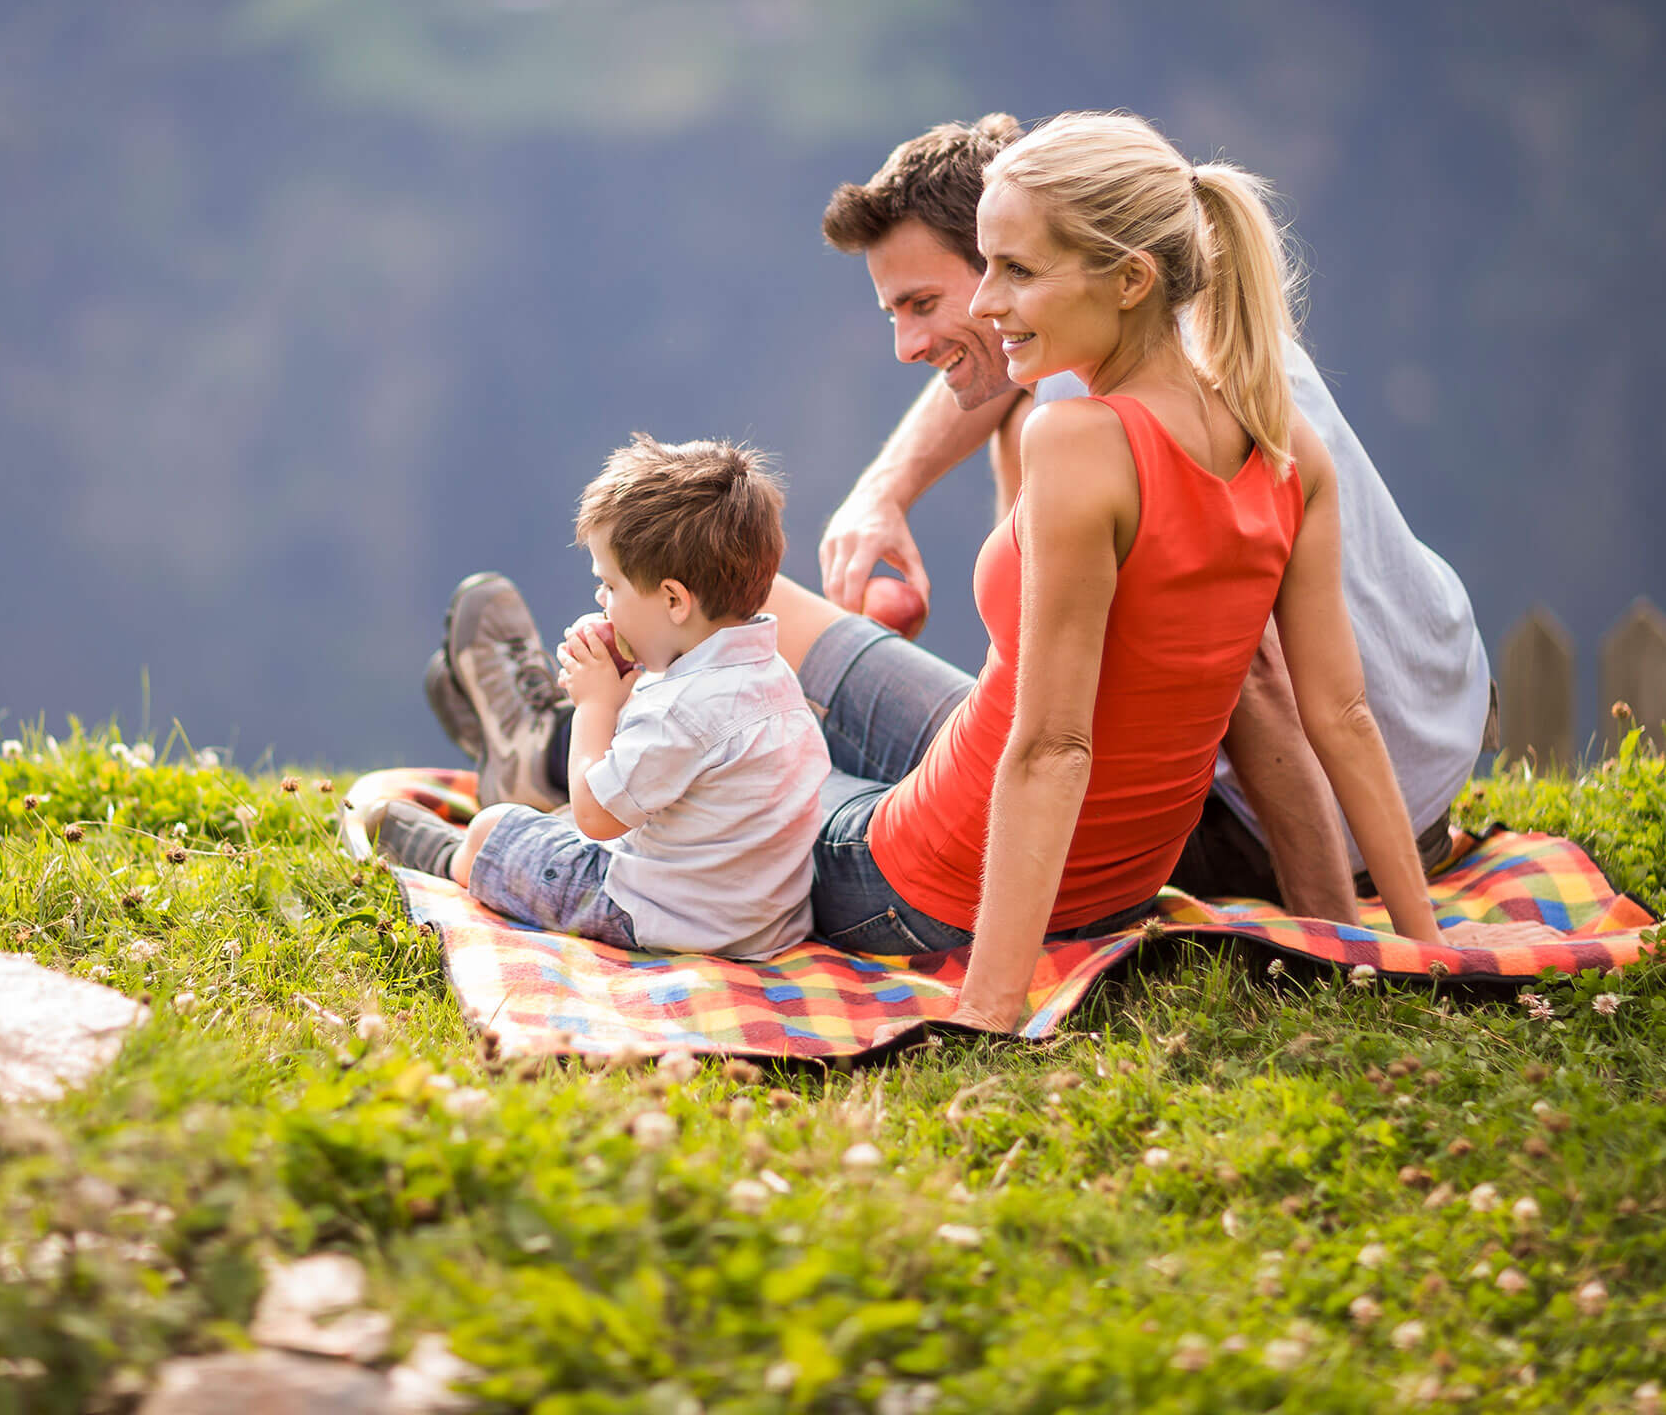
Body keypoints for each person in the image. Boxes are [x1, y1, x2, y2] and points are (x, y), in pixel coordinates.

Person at [434, 112, 1545, 1031]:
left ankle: (553, 758)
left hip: (940, 875)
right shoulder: (1268, 426)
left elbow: (1061, 745)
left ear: (1126, 279)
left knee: (734, 775)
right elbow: (1340, 712)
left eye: (1008, 273)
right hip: (1105, 859)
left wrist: (989, 1004)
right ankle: (584, 730)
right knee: (752, 624)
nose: (984, 305)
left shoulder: (1079, 443)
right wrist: (1413, 945)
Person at [810, 116, 1496, 920]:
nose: (907, 345)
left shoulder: (1110, 425)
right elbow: (996, 380)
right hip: (1437, 732)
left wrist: (1329, 926)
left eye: (927, 302)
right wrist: (885, 490)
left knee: (796, 763)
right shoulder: (1196, 325)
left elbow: (1263, 684)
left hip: (1309, 827)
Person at [368, 434, 829, 960]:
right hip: (765, 924)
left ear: (674, 600)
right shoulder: (772, 676)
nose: (600, 599)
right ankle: (517, 764)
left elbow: (595, 817)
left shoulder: (679, 711)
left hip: (663, 917)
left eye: (610, 586)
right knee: (563, 817)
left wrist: (595, 705)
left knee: (495, 828)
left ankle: (453, 857)